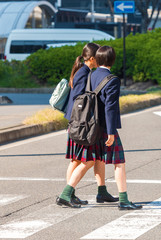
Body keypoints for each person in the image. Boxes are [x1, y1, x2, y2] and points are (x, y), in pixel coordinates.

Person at [58, 45, 142, 210]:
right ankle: (123, 200)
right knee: (118, 162)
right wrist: (111, 132)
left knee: (91, 160)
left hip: (92, 126)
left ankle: (77, 193)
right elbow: (110, 108)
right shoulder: (112, 80)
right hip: (102, 127)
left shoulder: (91, 74)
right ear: (112, 60)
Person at [56, 43, 118, 208]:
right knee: (80, 160)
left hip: (83, 122)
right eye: (97, 57)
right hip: (81, 123)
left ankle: (101, 191)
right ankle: (69, 193)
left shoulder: (85, 71)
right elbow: (79, 99)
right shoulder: (84, 73)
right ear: (92, 59)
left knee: (97, 158)